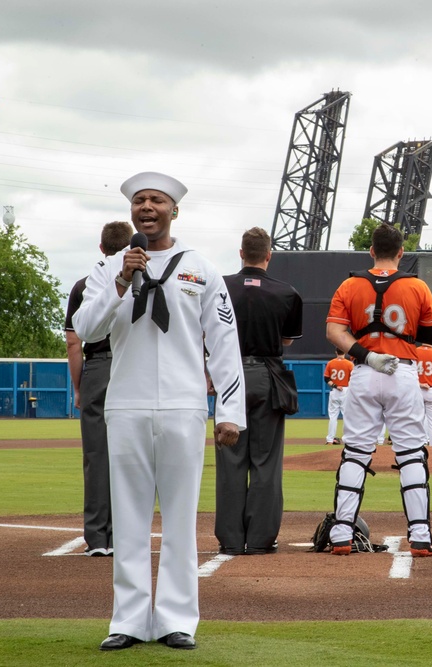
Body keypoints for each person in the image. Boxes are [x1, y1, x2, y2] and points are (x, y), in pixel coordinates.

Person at [73, 171, 246, 651]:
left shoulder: (201, 268)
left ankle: (176, 619)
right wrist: (123, 280)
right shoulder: (108, 270)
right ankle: (127, 621)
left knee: (179, 516)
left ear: (174, 210)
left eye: (157, 200)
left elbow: (225, 343)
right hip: (125, 403)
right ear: (131, 213)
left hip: (183, 404)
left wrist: (229, 410)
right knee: (127, 516)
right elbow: (86, 329)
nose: (147, 207)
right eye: (139, 201)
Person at [325, 223, 432, 557]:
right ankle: (420, 536)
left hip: (363, 370)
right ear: (401, 252)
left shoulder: (349, 284)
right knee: (411, 455)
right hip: (402, 371)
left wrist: (367, 354)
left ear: (371, 250)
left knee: (356, 453)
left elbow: (334, 331)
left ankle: (342, 534)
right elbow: (431, 337)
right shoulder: (417, 286)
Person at [216, 227, 303, 556]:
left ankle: (230, 539)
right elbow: (287, 341)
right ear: (269, 255)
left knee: (230, 459)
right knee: (266, 461)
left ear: (241, 253)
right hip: (267, 376)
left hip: (229, 376)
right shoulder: (287, 292)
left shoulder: (220, 286)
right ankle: (262, 539)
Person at [64, 220, 133, 558]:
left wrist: (79, 388)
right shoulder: (141, 278)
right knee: (132, 455)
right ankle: (125, 533)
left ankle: (97, 538)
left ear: (102, 247)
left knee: (96, 455)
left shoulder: (83, 285)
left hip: (98, 367)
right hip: (130, 367)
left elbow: (73, 344)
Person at [325, 348, 354, 445]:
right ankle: (347, 439)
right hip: (346, 390)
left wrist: (335, 386)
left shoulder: (330, 363)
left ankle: (330, 439)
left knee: (333, 417)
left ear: (336, 352)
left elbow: (326, 378)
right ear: (345, 352)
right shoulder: (349, 364)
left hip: (334, 390)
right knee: (347, 416)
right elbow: (354, 378)